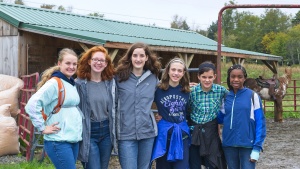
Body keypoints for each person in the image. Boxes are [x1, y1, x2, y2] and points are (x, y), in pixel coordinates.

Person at [25, 48, 82, 169]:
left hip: (72, 138)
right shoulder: (55, 83)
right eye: (68, 63)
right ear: (59, 63)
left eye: (74, 64)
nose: (71, 67)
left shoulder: (71, 83)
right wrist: (42, 127)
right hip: (59, 140)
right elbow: (32, 104)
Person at [115, 42, 161, 169]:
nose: (138, 59)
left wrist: (184, 88)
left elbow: (163, 96)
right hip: (126, 133)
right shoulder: (119, 77)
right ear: (130, 57)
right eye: (135, 55)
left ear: (147, 57)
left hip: (147, 133)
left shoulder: (153, 78)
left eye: (142, 56)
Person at [217, 64, 266, 169]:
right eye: (233, 76)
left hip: (248, 145)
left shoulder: (253, 96)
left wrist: (257, 148)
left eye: (240, 77)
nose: (236, 79)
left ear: (245, 78)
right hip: (229, 145)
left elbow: (260, 123)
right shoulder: (225, 97)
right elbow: (220, 119)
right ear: (229, 78)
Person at [76, 46, 117, 169]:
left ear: (106, 64)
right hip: (89, 130)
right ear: (89, 61)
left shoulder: (110, 83)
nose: (98, 63)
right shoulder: (79, 83)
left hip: (107, 131)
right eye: (95, 59)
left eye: (102, 60)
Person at [151, 58, 191, 169]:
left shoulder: (187, 91)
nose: (176, 73)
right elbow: (144, 105)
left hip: (181, 136)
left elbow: (189, 112)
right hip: (164, 137)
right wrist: (154, 118)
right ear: (168, 71)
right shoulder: (158, 89)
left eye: (179, 71)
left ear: (183, 73)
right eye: (173, 69)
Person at [188, 61, 228, 169]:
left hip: (211, 132)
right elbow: (186, 109)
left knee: (215, 163)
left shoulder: (221, 91)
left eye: (210, 77)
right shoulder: (191, 92)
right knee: (194, 163)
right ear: (198, 77)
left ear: (214, 76)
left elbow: (233, 101)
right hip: (195, 131)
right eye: (204, 77)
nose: (207, 80)